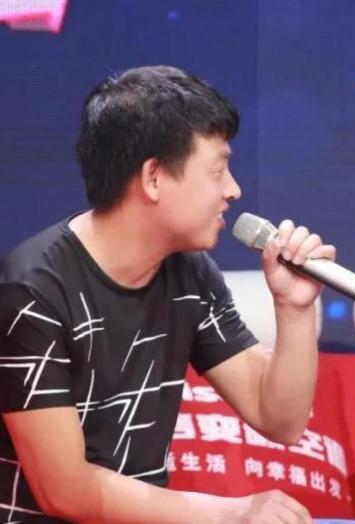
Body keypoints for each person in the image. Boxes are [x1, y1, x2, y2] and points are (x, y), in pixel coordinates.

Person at [0, 66, 329, 523]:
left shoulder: (188, 272)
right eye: (218, 170)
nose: (233, 190)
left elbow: (280, 419)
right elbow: (65, 491)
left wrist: (294, 309)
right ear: (153, 177)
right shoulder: (31, 291)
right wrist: (231, 514)